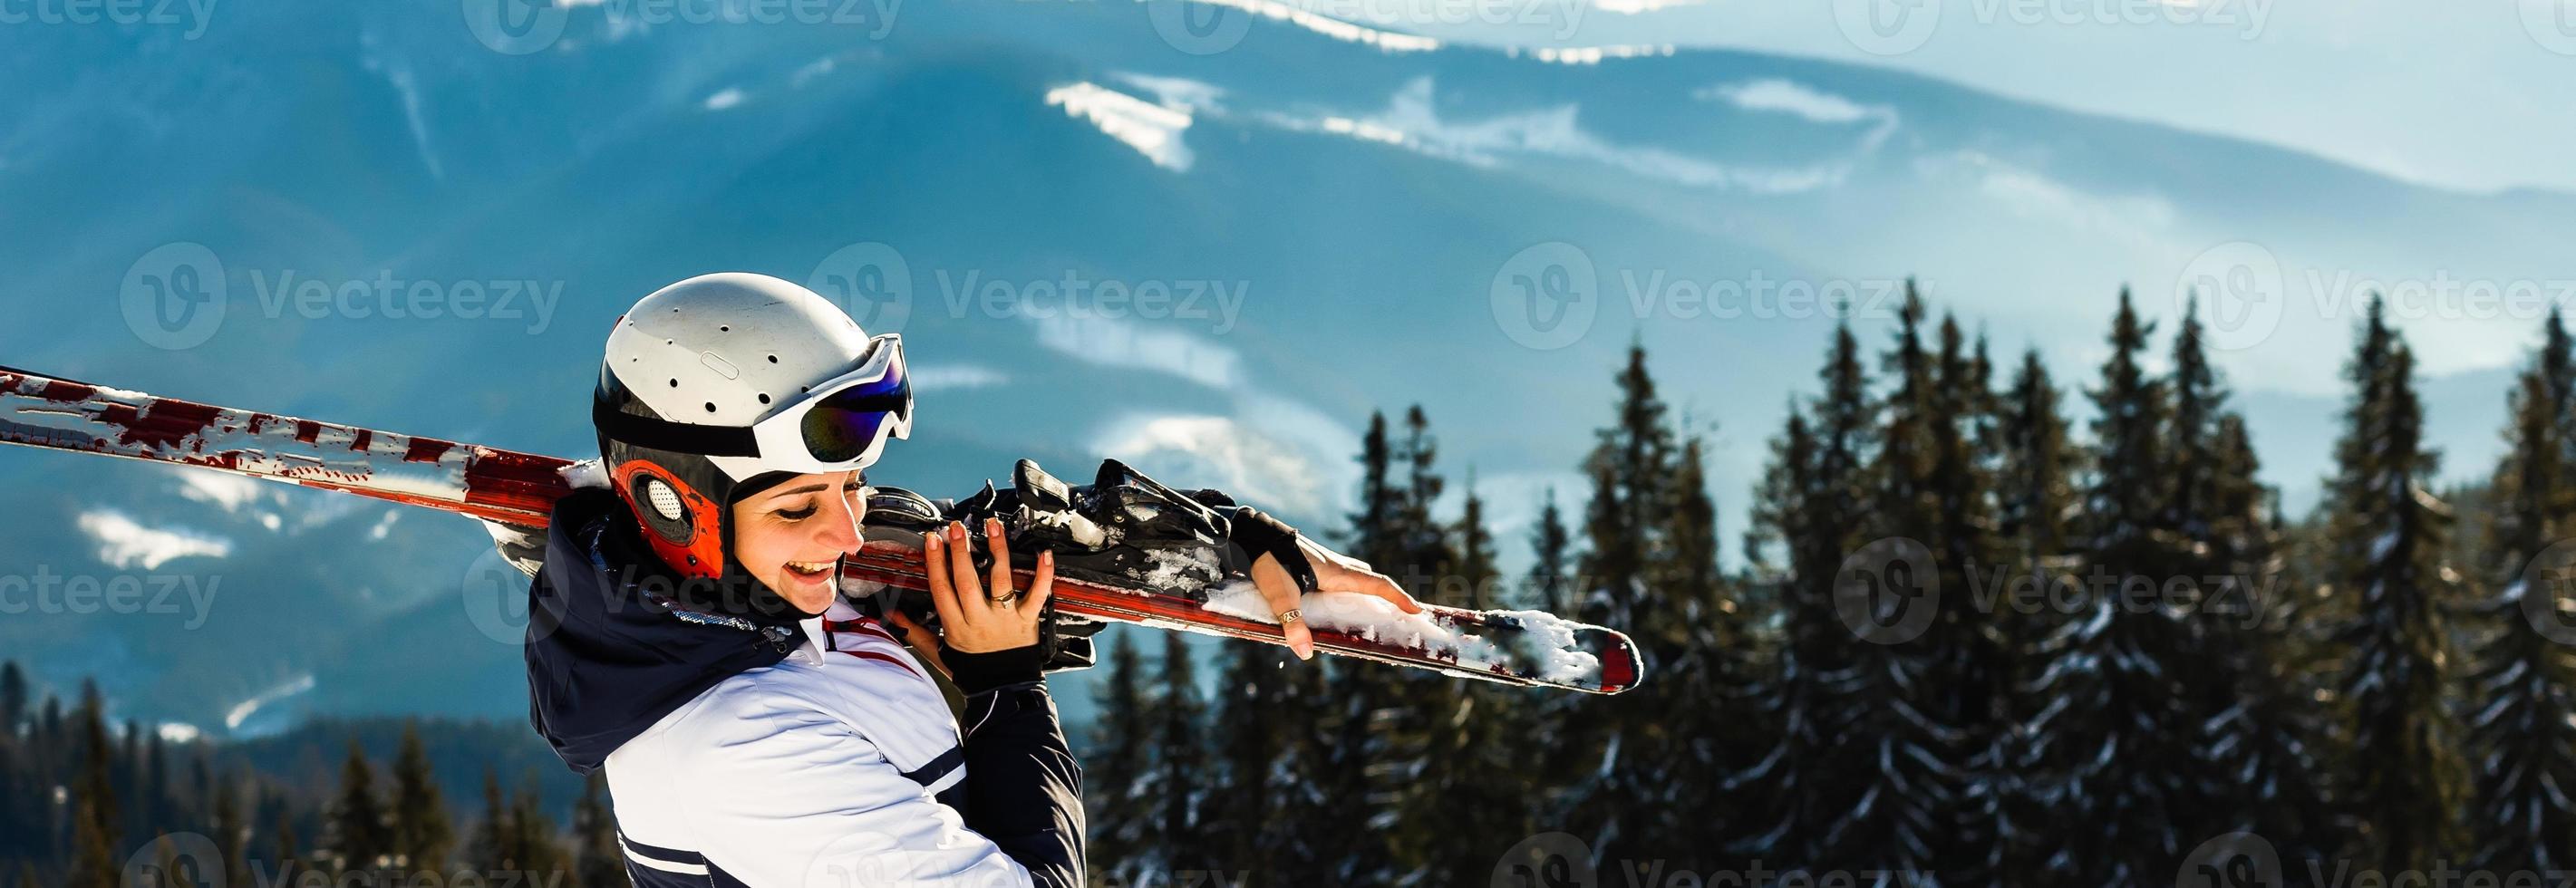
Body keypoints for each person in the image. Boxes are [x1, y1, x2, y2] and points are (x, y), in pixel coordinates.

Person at [518, 273, 1420, 887]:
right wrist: (1002, 690)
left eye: (852, 486)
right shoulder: (735, 751)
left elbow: (997, 532)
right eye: (800, 507)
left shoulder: (745, 592)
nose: (846, 533)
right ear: (671, 504)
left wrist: (1233, 539)